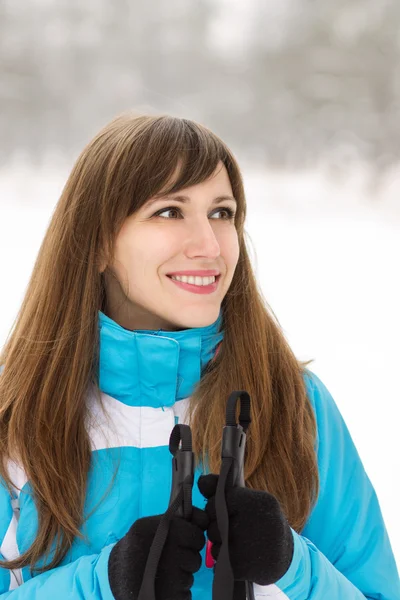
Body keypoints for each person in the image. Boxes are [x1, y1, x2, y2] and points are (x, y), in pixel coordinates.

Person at [0, 112, 398, 600]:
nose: (209, 245)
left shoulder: (296, 404)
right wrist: (101, 583)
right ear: (98, 240)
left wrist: (295, 566)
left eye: (222, 213)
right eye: (169, 211)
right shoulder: (15, 415)